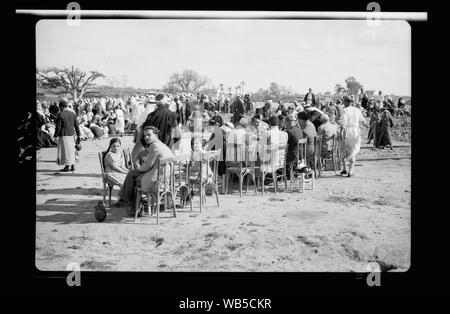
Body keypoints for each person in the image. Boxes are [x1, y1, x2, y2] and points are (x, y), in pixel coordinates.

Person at [118, 126, 173, 215]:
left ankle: (133, 207)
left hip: (155, 180)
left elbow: (147, 165)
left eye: (149, 135)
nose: (146, 137)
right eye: (144, 136)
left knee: (132, 177)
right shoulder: (163, 145)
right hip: (165, 179)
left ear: (156, 135)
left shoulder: (155, 146)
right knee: (132, 175)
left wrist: (138, 169)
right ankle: (129, 202)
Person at [339, 95, 370, 177]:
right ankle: (350, 170)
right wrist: (367, 126)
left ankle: (345, 169)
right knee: (353, 149)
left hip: (347, 130)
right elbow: (362, 120)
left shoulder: (344, 110)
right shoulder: (357, 110)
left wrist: (342, 133)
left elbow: (343, 123)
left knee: (345, 149)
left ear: (345, 102)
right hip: (356, 131)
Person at [54, 100, 81, 172]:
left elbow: (58, 127)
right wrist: (79, 135)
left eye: (60, 107)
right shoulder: (73, 113)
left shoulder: (61, 114)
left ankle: (67, 166)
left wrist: (55, 136)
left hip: (64, 135)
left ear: (61, 107)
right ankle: (73, 166)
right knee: (72, 150)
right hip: (72, 135)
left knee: (66, 151)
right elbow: (77, 125)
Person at [103, 138, 129, 206]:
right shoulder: (109, 155)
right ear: (110, 147)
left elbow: (122, 166)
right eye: (113, 146)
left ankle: (126, 198)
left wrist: (128, 172)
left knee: (130, 179)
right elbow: (115, 167)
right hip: (111, 173)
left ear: (120, 146)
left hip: (119, 172)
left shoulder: (120, 154)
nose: (116, 148)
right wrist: (125, 173)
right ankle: (125, 199)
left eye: (117, 146)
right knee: (122, 181)